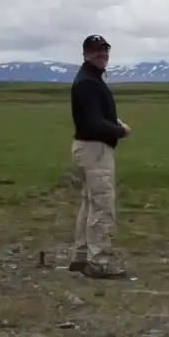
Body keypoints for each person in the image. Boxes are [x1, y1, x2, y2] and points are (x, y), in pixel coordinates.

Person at [68, 33, 131, 279]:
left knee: (90, 202)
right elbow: (93, 124)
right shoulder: (87, 82)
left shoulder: (91, 79)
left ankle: (81, 256)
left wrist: (112, 122)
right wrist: (121, 131)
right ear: (85, 54)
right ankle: (98, 262)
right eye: (95, 51)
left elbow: (92, 116)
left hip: (88, 149)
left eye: (104, 50)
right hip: (95, 150)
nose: (101, 54)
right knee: (103, 206)